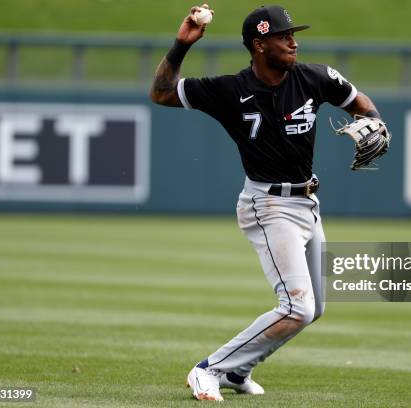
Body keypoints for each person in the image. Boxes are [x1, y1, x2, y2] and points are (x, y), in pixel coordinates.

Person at [150, 4, 383, 401]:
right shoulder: (229, 90)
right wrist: (180, 45)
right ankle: (210, 369)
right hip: (268, 204)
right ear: (259, 45)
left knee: (315, 307)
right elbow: (161, 93)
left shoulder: (314, 77)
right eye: (283, 36)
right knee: (297, 307)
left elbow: (358, 100)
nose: (293, 41)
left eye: (293, 34)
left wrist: (375, 120)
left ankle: (238, 371)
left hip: (308, 203)